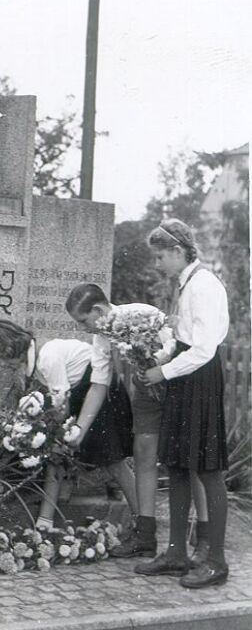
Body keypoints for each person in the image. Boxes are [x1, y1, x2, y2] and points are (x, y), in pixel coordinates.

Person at [65, 283, 208, 560]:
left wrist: (158, 363)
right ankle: (145, 535)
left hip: (176, 384)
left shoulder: (141, 312)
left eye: (84, 320)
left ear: (97, 309)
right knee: (143, 455)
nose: (83, 328)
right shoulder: (102, 338)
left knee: (190, 461)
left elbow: (175, 345)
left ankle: (204, 536)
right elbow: (98, 386)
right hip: (145, 390)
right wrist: (79, 431)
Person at [137, 219, 230, 589]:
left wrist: (166, 373)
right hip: (185, 374)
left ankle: (217, 562)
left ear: (178, 252)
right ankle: (176, 553)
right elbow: (183, 339)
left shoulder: (204, 285)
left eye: (161, 256)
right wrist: (160, 359)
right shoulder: (187, 282)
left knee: (208, 470)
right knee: (176, 465)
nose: (158, 264)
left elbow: (205, 348)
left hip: (200, 378)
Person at [0, 320, 137, 530]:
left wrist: (45, 431)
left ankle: (142, 521)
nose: (1, 365)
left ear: (10, 348)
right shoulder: (33, 361)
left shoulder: (47, 357)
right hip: (79, 391)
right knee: (57, 453)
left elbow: (60, 406)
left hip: (100, 391)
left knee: (113, 462)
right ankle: (45, 522)